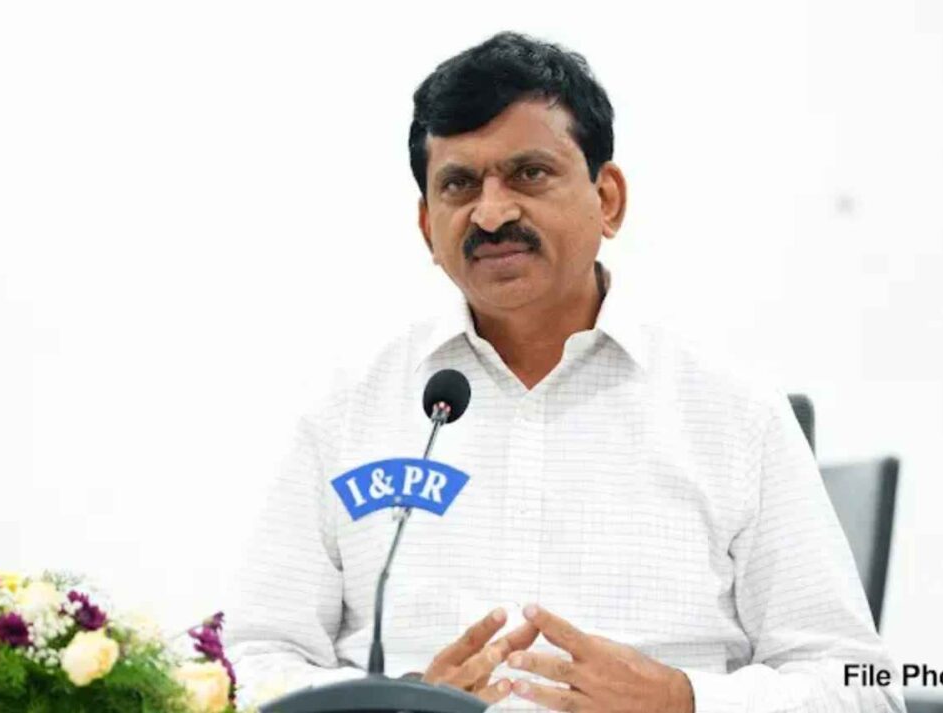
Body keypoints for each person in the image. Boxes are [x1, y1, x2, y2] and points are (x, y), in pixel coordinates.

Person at [226, 31, 905, 712]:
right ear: (428, 225)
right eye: (459, 184)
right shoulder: (346, 412)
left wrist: (684, 700)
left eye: (529, 173)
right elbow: (246, 667)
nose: (492, 212)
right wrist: (393, 703)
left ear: (607, 199)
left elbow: (861, 688)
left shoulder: (734, 412)